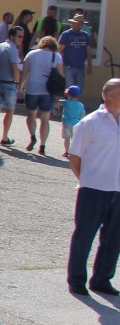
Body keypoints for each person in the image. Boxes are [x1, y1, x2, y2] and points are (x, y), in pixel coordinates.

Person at [66, 77, 120, 296]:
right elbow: (74, 155)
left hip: (117, 189)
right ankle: (76, 279)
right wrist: (85, 179)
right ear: (109, 95)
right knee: (85, 235)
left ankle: (102, 279)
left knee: (114, 238)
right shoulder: (91, 122)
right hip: (93, 188)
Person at [20, 35, 64, 156]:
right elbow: (61, 75)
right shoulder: (57, 56)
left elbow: (24, 72)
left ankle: (33, 136)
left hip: (32, 88)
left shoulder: (31, 54)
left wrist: (21, 87)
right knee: (45, 118)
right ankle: (42, 146)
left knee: (31, 115)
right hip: (48, 90)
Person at [0, 26, 25, 146]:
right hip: (8, 84)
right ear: (12, 36)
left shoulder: (0, 46)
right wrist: (19, 85)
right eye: (19, 36)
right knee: (10, 110)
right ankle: (4, 137)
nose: (21, 39)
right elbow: (15, 69)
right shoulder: (12, 49)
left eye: (22, 37)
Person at [59, 11, 93, 96]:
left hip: (80, 67)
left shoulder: (86, 36)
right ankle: (69, 106)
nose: (77, 25)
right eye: (75, 23)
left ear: (82, 24)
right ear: (72, 23)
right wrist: (61, 65)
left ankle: (74, 106)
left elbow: (88, 52)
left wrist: (89, 65)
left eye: (79, 23)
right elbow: (60, 51)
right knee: (70, 89)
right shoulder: (66, 34)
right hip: (68, 66)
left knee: (78, 90)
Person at [61, 84, 85, 159]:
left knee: (67, 138)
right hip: (76, 124)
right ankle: (74, 153)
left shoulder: (66, 102)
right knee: (75, 139)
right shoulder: (80, 105)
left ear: (68, 94)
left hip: (66, 123)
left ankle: (67, 151)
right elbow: (83, 115)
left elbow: (58, 102)